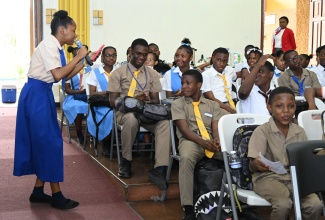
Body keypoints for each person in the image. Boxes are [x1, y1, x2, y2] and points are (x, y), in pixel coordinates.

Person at [13, 10, 89, 210]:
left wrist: (84, 62)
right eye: (73, 30)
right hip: (36, 95)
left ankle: (38, 191)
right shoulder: (49, 45)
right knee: (50, 143)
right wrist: (78, 56)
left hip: (41, 94)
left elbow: (65, 75)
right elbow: (57, 76)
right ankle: (56, 195)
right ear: (62, 30)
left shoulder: (58, 47)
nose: (75, 35)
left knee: (46, 142)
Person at [248, 86, 322, 220]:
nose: (286, 111)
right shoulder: (262, 131)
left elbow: (304, 162)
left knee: (315, 204)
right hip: (268, 178)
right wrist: (257, 164)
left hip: (294, 178)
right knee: (283, 204)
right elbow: (253, 164)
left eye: (291, 106)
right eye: (280, 106)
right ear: (269, 107)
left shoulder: (299, 131)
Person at [108, 38, 171, 190]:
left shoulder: (152, 74)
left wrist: (146, 101)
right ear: (130, 52)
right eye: (138, 54)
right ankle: (126, 161)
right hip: (124, 112)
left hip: (145, 111)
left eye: (144, 55)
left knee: (164, 123)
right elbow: (112, 101)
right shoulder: (118, 73)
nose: (141, 58)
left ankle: (160, 169)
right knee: (130, 119)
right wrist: (134, 100)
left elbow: (156, 101)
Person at [171, 69, 225, 220]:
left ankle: (237, 200)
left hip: (209, 141)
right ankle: (188, 207)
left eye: (189, 83)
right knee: (186, 157)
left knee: (232, 155)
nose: (184, 86)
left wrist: (216, 140)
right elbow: (184, 130)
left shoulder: (212, 105)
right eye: (183, 83)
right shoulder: (178, 104)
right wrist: (204, 143)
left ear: (199, 85)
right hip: (191, 141)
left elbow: (215, 128)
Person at [86, 46, 116, 157]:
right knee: (110, 115)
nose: (111, 58)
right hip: (101, 105)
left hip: (116, 103)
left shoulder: (119, 72)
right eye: (108, 55)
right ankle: (106, 143)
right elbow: (92, 93)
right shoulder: (95, 73)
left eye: (114, 55)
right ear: (102, 57)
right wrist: (107, 92)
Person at [62, 46, 89, 144]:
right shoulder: (69, 70)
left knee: (96, 104)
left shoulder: (88, 69)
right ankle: (79, 131)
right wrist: (78, 92)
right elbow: (67, 89)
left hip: (87, 95)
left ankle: (94, 131)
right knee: (79, 106)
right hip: (74, 96)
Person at [201, 47, 237, 114]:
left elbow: (239, 75)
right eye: (219, 60)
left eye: (225, 61)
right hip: (215, 106)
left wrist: (244, 70)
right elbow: (210, 98)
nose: (222, 64)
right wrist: (229, 110)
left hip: (231, 104)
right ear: (212, 59)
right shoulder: (206, 75)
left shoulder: (229, 70)